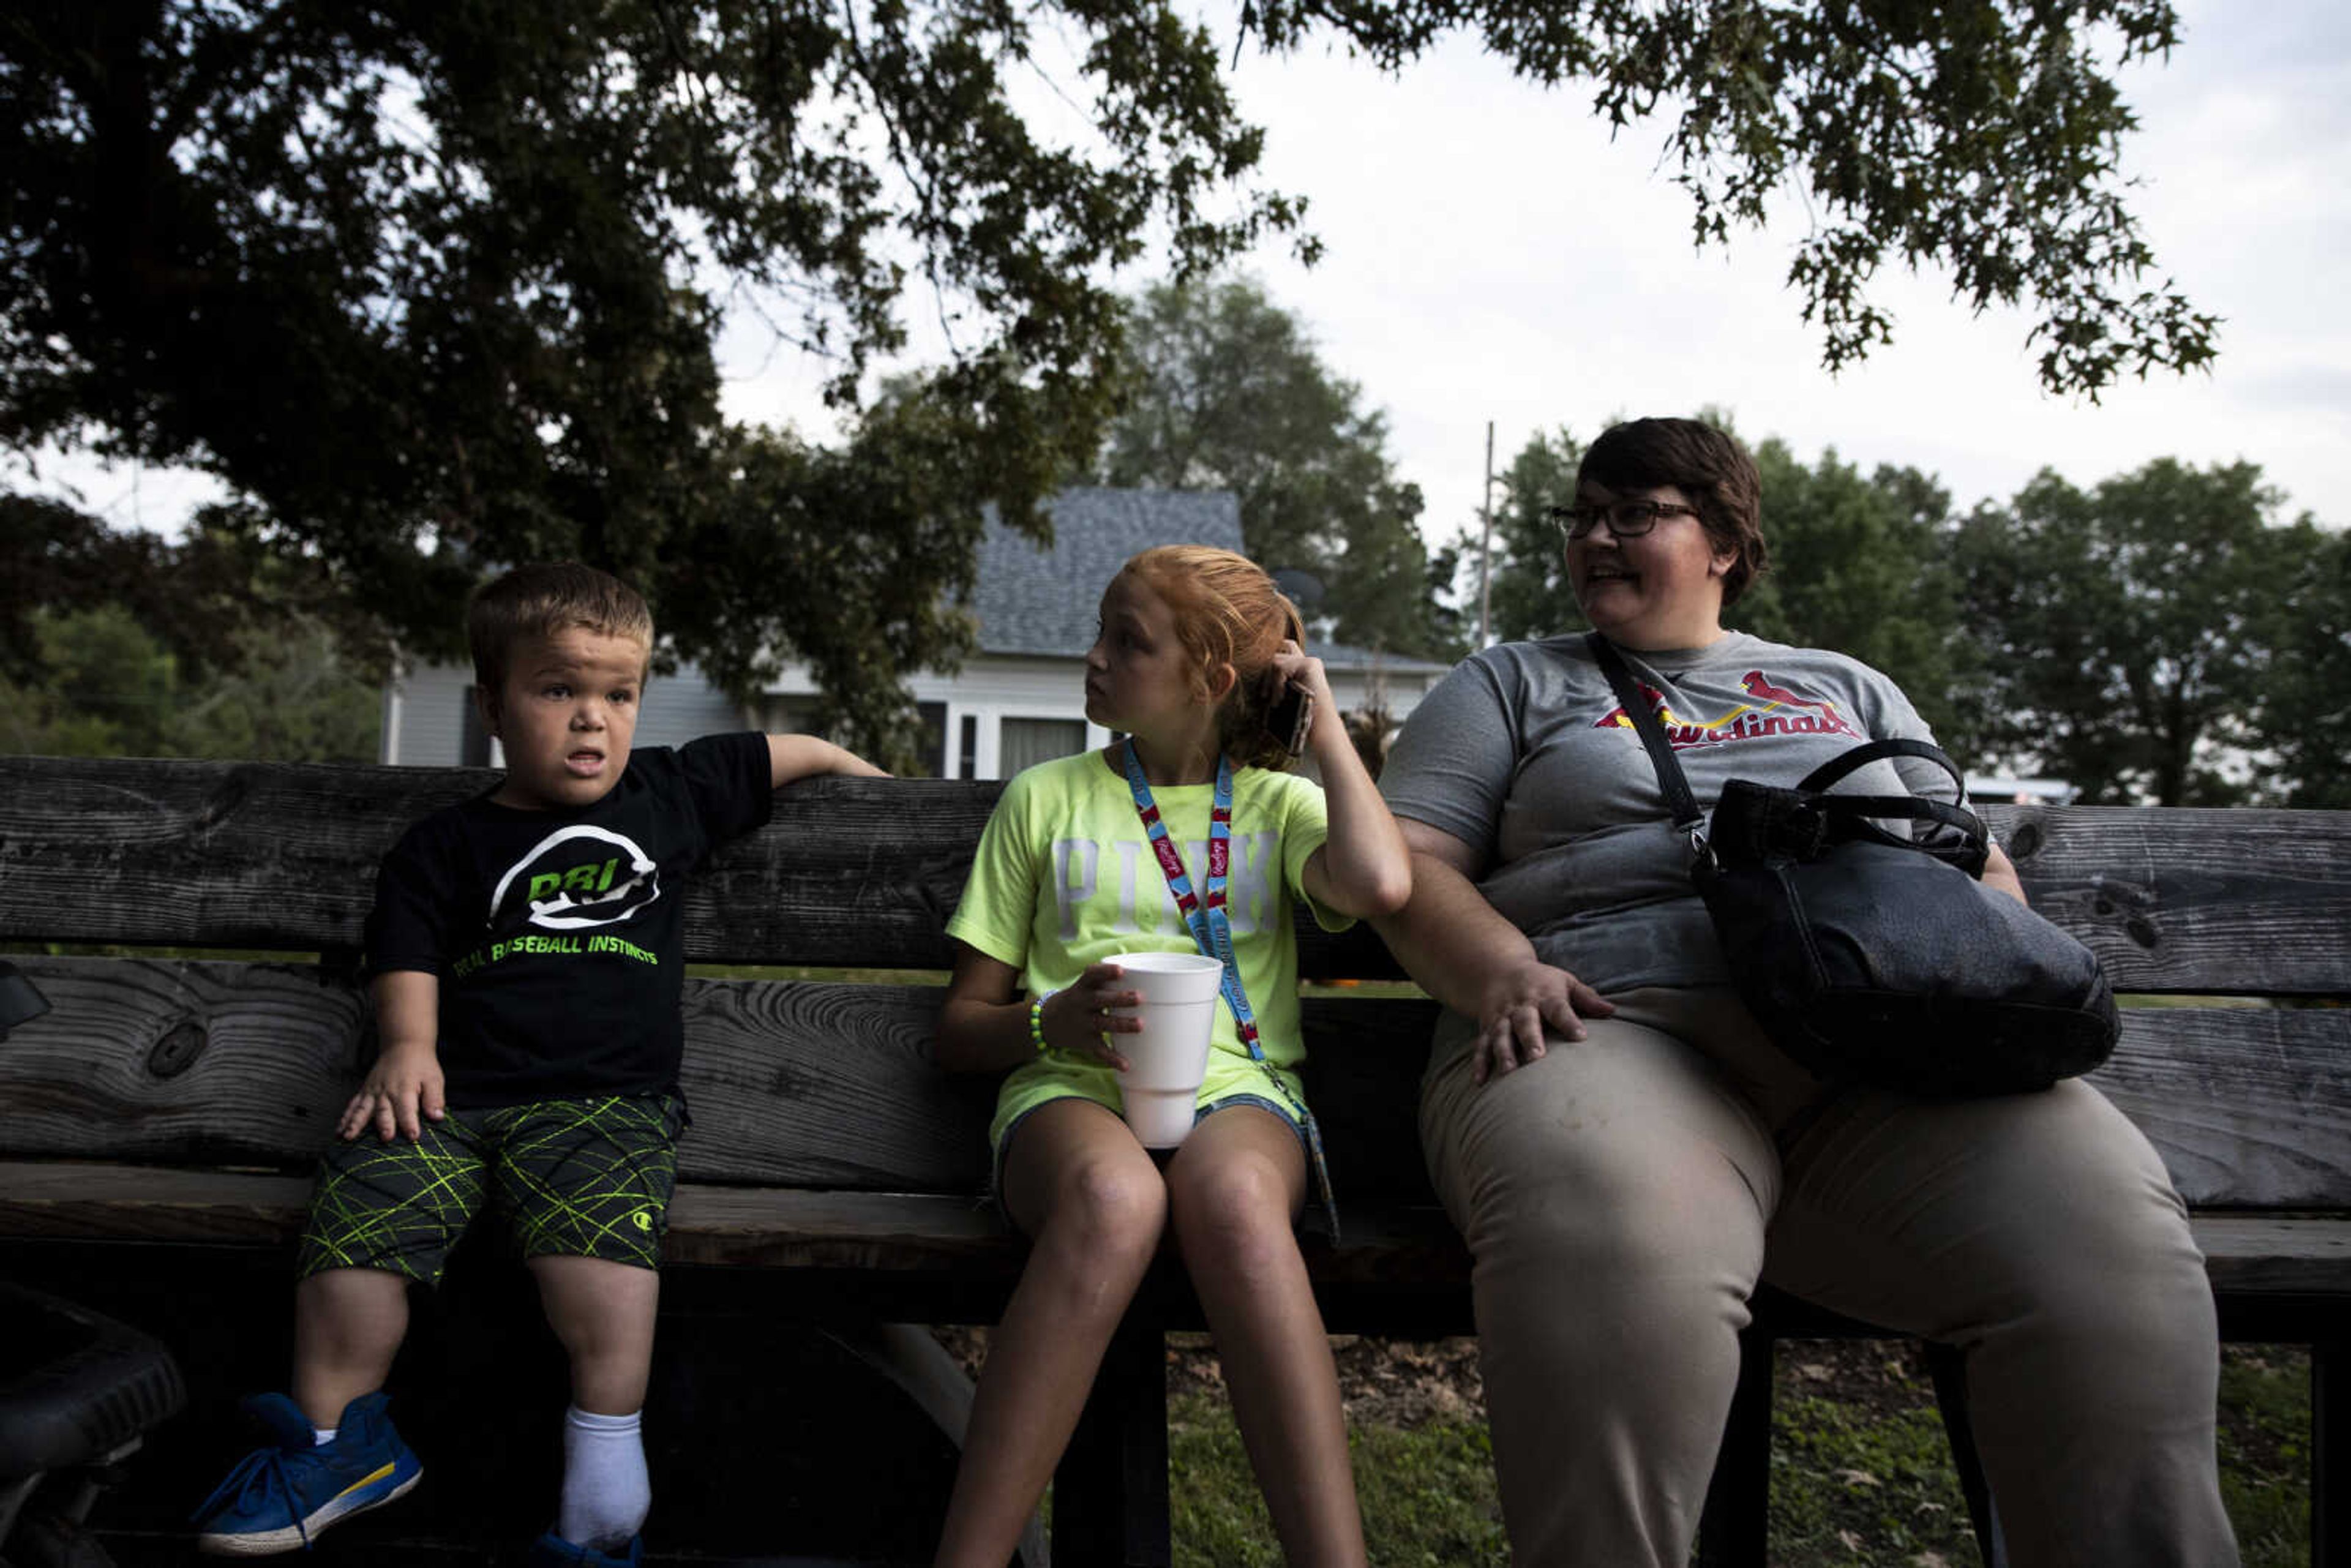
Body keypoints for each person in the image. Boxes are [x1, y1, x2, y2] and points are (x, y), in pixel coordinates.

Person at [1371, 418, 2238, 1567]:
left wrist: (1992, 981)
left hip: (1879, 1051)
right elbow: (1405, 868)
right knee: (1625, 1246)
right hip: (1613, 1026)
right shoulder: (1512, 682)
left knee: (2112, 1263)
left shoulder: (1848, 686)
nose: (1596, 538)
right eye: (1582, 515)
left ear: (1726, 540)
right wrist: (1501, 969)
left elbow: (1975, 861)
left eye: (1637, 514)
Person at [192, 562, 886, 1563]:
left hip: (605, 1107)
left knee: (600, 1272)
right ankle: (340, 1444)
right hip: (453, 1094)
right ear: (493, 704)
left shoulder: (670, 793)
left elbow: (787, 750)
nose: (593, 720)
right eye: (559, 690)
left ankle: (602, 1495)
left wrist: (864, 781)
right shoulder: (446, 844)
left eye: (618, 694)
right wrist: (406, 1046)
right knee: (363, 1211)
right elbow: (407, 948)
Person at [931, 546, 1411, 1568]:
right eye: (1102, 630)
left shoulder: (1277, 806)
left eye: (1127, 640)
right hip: (1070, 1089)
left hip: (1241, 1091)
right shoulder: (1045, 798)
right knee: (1116, 1201)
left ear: (1211, 680)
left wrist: (1321, 721)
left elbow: (1377, 883)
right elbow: (960, 1027)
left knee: (1233, 1201)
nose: (1094, 657)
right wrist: (1046, 1025)